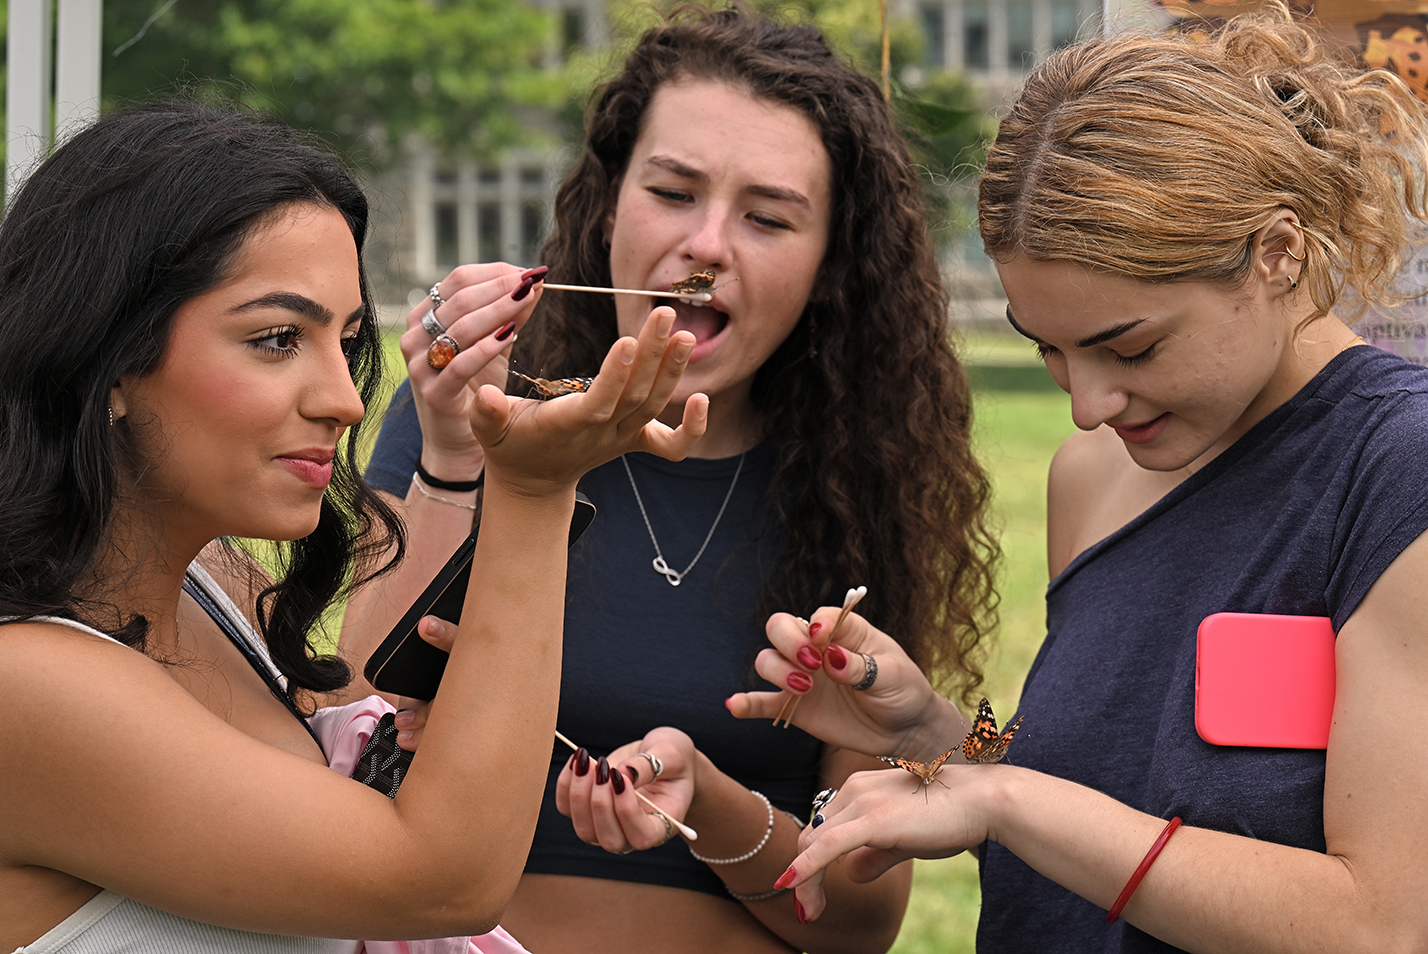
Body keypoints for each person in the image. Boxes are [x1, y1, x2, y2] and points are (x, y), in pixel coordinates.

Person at [728, 7, 1428, 952]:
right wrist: (934, 733)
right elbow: (1102, 823)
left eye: (1129, 346)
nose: (1088, 405)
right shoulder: (1093, 477)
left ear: (1277, 251)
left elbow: (1381, 924)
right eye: (1048, 350)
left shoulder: (1396, 471)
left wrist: (1004, 798)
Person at [340, 6, 1000, 951]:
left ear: (827, 267)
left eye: (769, 217)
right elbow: (347, 727)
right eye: (674, 192)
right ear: (610, 203)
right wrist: (453, 454)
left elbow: (856, 927)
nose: (709, 246)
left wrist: (712, 801)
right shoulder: (474, 410)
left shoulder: (860, 481)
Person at [0, 99, 705, 953]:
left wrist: (451, 454)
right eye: (275, 338)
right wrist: (534, 489)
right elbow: (446, 881)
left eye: (346, 340)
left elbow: (365, 710)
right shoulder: (26, 685)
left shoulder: (209, 585)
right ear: (107, 362)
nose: (342, 398)